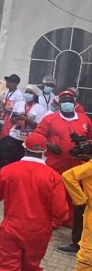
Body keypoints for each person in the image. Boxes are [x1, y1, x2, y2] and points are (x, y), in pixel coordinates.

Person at [0, 133, 68, 271]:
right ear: (45, 152)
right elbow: (62, 212)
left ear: (24, 148)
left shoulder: (10, 170)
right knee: (32, 270)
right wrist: (51, 224)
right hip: (39, 233)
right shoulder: (53, 177)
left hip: (11, 229)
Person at [34, 90, 92, 255]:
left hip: (79, 165)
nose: (67, 102)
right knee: (52, 191)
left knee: (76, 196)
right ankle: (51, 220)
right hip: (55, 163)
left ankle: (70, 221)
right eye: (64, 99)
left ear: (75, 102)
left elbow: (90, 138)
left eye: (70, 99)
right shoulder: (49, 119)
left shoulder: (84, 119)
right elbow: (37, 136)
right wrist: (49, 145)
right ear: (59, 102)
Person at [0, 84, 45, 168]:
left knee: (23, 164)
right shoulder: (19, 104)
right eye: (26, 92)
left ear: (35, 96)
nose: (27, 94)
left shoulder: (40, 109)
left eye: (30, 93)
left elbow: (38, 126)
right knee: (9, 161)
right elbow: (12, 120)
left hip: (28, 140)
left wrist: (26, 119)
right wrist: (17, 118)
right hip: (14, 137)